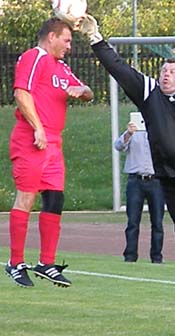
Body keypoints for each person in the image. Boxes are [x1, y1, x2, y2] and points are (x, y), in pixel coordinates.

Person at [75, 15, 175, 334]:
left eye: (173, 70)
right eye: (163, 70)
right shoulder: (149, 95)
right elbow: (119, 68)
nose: (165, 75)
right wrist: (95, 37)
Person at [5, 17, 94, 288]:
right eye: (66, 40)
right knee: (26, 199)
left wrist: (83, 91)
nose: (69, 46)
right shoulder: (35, 57)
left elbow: (88, 92)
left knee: (55, 200)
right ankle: (15, 263)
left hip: (53, 144)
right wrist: (37, 128)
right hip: (32, 139)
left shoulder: (62, 67)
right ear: (52, 37)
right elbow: (22, 93)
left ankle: (46, 263)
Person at [114, 121, 165, 263]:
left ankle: (157, 257)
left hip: (156, 181)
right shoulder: (133, 132)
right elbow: (119, 146)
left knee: (157, 222)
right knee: (133, 221)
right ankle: (130, 256)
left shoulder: (160, 130)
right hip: (135, 180)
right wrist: (129, 133)